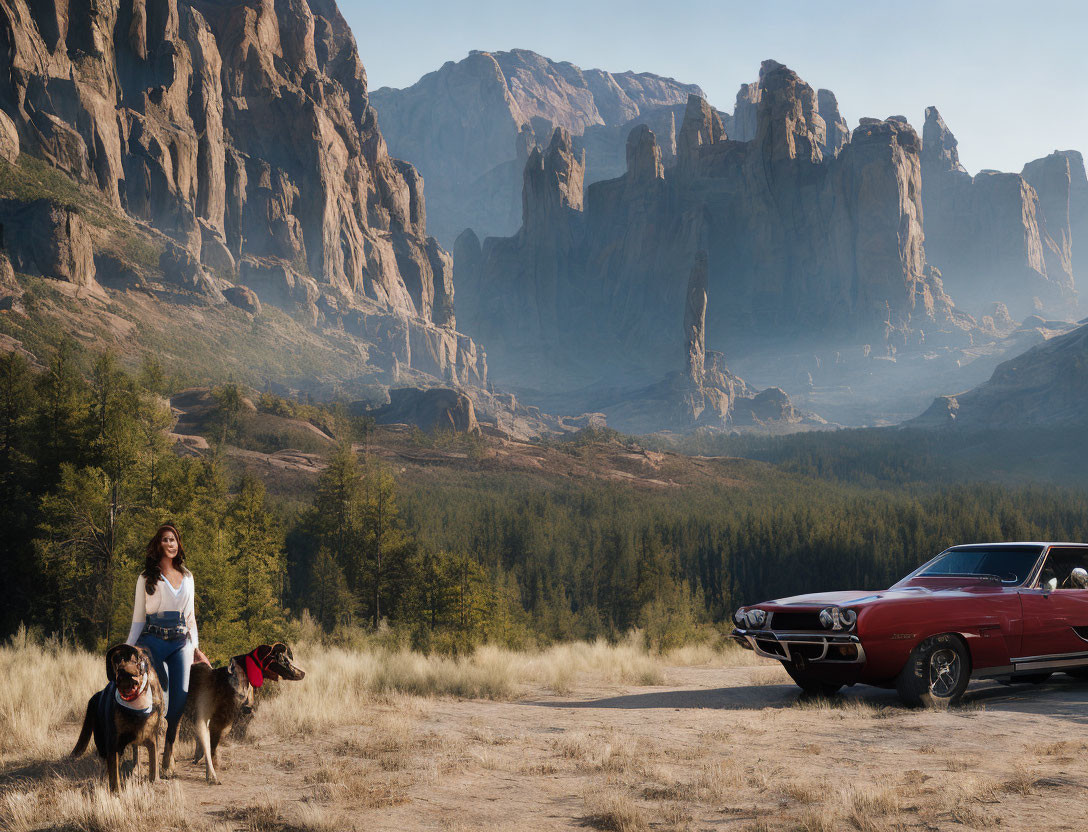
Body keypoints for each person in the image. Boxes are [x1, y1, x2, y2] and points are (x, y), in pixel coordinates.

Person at [125, 524, 210, 770]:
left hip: (181, 642)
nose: (171, 544)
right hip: (151, 641)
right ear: (158, 544)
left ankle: (168, 753)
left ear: (178, 544)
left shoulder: (188, 577)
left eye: (174, 540)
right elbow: (138, 619)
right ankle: (136, 750)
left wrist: (196, 648)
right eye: (165, 539)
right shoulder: (145, 578)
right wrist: (128, 647)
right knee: (152, 690)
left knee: (180, 699)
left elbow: (191, 617)